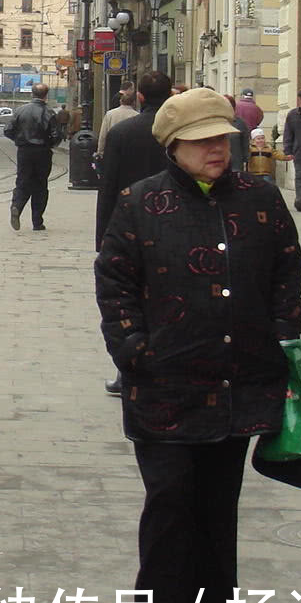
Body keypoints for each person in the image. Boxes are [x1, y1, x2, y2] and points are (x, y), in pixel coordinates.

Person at [94, 88, 301, 603]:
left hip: (237, 381)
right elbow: (113, 282)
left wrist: (284, 331)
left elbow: (288, 266)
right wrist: (134, 349)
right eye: (202, 141)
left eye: (223, 138)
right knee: (168, 505)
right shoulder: (141, 203)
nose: (218, 149)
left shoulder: (260, 198)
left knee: (217, 508)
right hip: (163, 385)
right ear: (174, 147)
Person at [95, 70, 175, 398]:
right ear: (170, 94)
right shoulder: (176, 133)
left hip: (130, 227)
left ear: (139, 96)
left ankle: (128, 371)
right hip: (174, 222)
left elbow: (108, 186)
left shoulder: (123, 133)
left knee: (132, 301)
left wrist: (103, 237)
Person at [5, 84, 65, 231]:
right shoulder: (48, 113)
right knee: (40, 185)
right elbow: (57, 136)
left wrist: (19, 140)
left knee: (22, 181)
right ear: (46, 95)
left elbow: (8, 130)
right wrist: (48, 144)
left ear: (32, 94)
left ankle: (17, 206)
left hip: (24, 151)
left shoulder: (20, 110)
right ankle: (37, 221)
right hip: (42, 152)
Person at [96, 87, 140, 157]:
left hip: (113, 151)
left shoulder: (110, 114)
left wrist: (100, 152)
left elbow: (103, 135)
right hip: (130, 153)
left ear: (120, 101)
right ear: (133, 103)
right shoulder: (137, 116)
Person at [224, 95, 251, 173]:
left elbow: (245, 144)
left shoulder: (240, 123)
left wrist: (246, 160)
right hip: (219, 165)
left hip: (236, 165)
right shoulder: (216, 122)